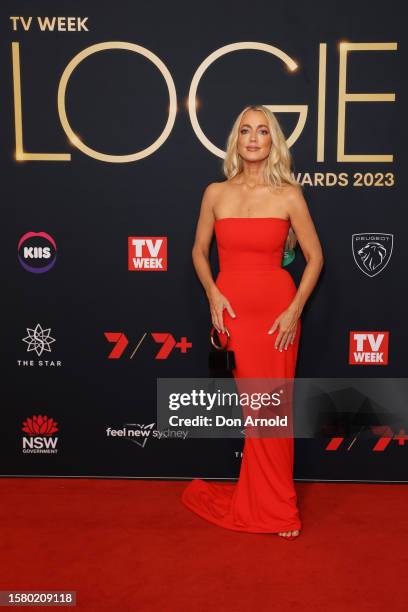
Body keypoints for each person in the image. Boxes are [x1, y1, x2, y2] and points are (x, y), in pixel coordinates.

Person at [181, 105, 324, 539]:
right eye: (245, 130)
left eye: (263, 131)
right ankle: (260, 501)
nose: (254, 138)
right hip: (233, 313)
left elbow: (315, 257)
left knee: (273, 414)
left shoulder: (289, 195)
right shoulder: (215, 193)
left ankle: (279, 510)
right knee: (253, 414)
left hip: (276, 315)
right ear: (236, 140)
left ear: (273, 140)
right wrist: (213, 293)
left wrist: (294, 309)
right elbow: (197, 251)